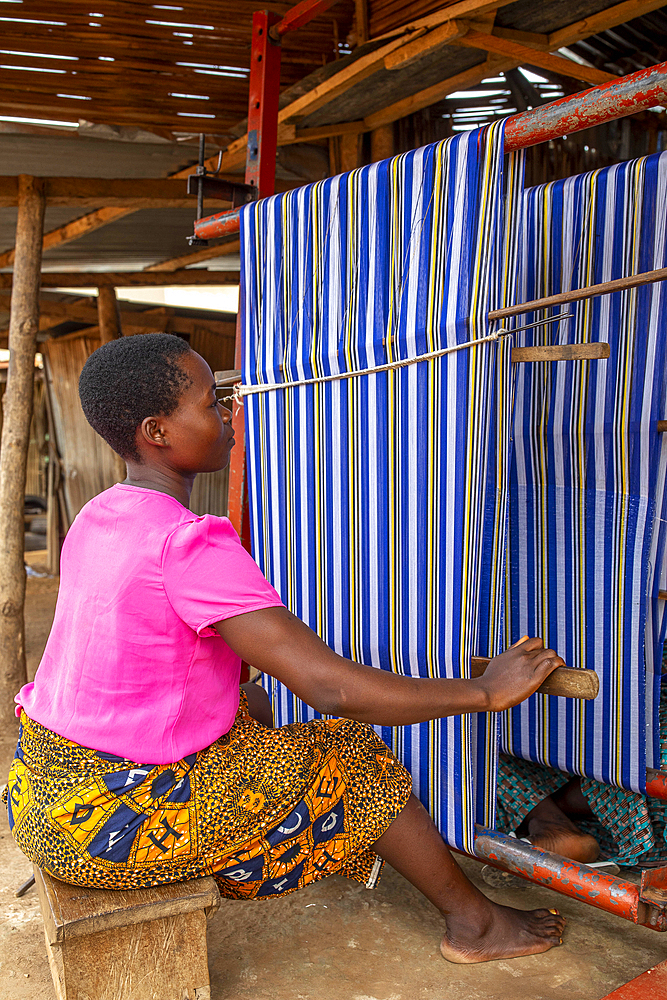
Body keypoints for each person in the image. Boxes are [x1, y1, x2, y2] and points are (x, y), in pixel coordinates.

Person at [5, 333, 567, 965]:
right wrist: (488, 691)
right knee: (347, 756)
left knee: (252, 709)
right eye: (211, 402)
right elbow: (331, 689)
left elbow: (134, 666)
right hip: (111, 822)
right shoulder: (188, 543)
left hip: (41, 791)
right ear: (157, 430)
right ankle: (476, 925)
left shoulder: (99, 516)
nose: (228, 415)